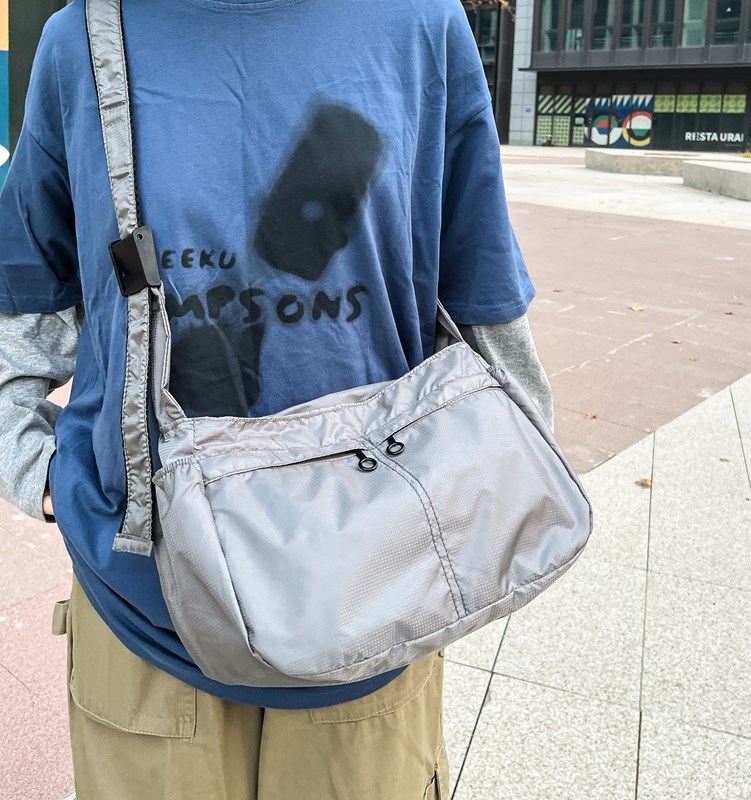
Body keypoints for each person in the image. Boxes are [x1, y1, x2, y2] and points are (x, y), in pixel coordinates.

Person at [0, 0, 553, 797]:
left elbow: (482, 299)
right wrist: (44, 475)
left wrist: (484, 512)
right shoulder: (82, 38)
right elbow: (23, 296)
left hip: (371, 599)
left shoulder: (421, 25)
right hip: (148, 609)